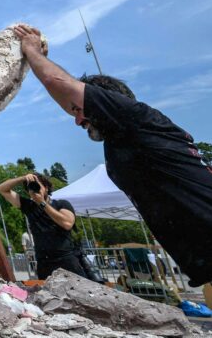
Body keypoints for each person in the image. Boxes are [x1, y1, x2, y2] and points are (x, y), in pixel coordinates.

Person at [13, 24, 212, 287]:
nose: (77, 120)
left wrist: (30, 50)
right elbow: (65, 92)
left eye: (79, 111)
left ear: (107, 102)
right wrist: (41, 59)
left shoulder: (133, 117)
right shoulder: (126, 136)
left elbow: (58, 83)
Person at [0, 172, 87, 279]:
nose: (36, 189)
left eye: (38, 185)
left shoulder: (61, 204)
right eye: (31, 187)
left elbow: (67, 224)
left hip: (66, 259)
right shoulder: (29, 206)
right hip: (44, 263)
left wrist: (42, 203)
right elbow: (2, 189)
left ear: (46, 188)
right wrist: (23, 178)